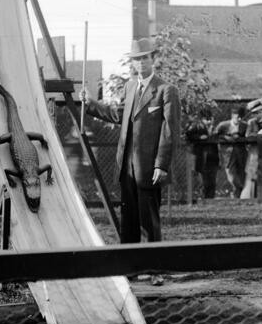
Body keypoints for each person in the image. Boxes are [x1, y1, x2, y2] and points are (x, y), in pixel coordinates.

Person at [80, 37, 179, 246]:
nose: (141, 63)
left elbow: (169, 130)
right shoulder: (130, 87)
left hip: (149, 168)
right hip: (126, 167)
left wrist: (161, 165)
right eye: (136, 59)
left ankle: (153, 270)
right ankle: (130, 268)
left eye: (145, 58)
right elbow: (117, 114)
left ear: (154, 59)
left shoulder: (166, 90)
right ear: (132, 63)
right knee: (129, 221)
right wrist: (90, 104)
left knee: (149, 222)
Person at [183, 108, 219, 201]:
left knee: (213, 179)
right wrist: (199, 137)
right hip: (202, 156)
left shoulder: (214, 128)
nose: (209, 121)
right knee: (204, 179)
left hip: (213, 156)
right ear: (202, 119)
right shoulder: (197, 126)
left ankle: (211, 198)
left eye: (210, 119)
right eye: (207, 119)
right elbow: (187, 135)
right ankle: (204, 197)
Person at [215, 104, 248, 197]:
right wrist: (226, 137)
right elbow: (215, 135)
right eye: (237, 116)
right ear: (233, 116)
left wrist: (240, 138)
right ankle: (239, 188)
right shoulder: (223, 125)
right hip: (228, 155)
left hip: (241, 154)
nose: (239, 119)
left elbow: (249, 136)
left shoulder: (245, 126)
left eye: (241, 117)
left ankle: (239, 197)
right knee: (231, 177)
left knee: (242, 175)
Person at [239, 98, 262, 200]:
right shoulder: (251, 122)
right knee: (252, 173)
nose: (258, 114)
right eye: (255, 112)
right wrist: (258, 135)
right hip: (254, 152)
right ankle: (249, 196)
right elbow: (248, 135)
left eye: (260, 111)